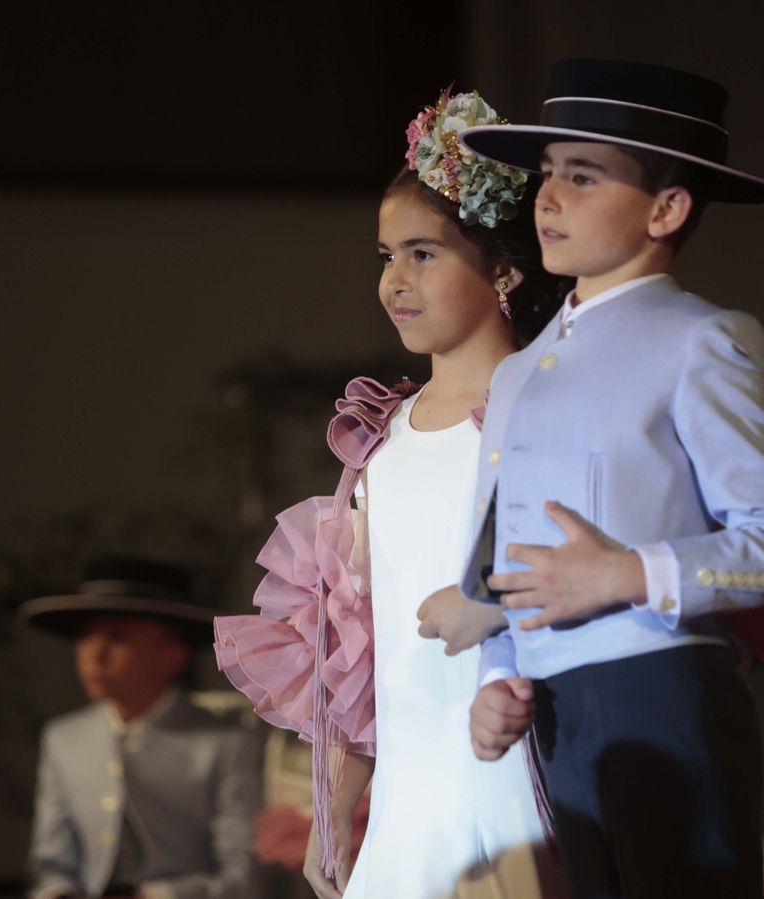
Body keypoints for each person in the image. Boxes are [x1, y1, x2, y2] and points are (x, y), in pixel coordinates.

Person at [451, 58, 764, 897]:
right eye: (548, 172)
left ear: (666, 208)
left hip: (663, 695)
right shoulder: (517, 371)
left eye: (582, 176)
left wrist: (626, 572)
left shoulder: (700, 338)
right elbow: (503, 562)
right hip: (556, 712)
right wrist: (497, 673)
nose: (548, 196)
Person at [214, 88, 569, 899]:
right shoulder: (381, 438)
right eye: (386, 256)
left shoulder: (542, 414)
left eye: (424, 254)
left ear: (505, 266)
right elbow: (361, 655)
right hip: (409, 810)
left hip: (518, 783)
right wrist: (336, 808)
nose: (396, 281)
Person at [21, 557, 261, 899]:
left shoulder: (224, 743)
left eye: (117, 638)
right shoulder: (64, 738)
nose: (94, 654)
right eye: (86, 637)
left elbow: (242, 877)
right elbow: (51, 862)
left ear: (173, 655)